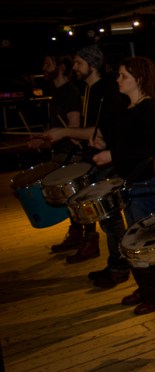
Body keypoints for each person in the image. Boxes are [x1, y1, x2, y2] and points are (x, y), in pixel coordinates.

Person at [45, 45, 126, 264]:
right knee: (106, 219)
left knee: (111, 218)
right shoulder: (90, 90)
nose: (75, 67)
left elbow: (99, 130)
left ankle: (118, 265)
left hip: (108, 161)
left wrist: (65, 131)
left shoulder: (105, 90)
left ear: (93, 64)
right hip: (97, 158)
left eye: (79, 63)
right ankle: (114, 262)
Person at [89, 57, 155, 292]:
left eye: (124, 76)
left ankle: (152, 291)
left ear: (138, 80)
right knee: (135, 241)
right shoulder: (129, 107)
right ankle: (146, 288)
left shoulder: (148, 108)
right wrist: (104, 144)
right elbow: (129, 144)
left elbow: (148, 149)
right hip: (131, 182)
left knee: (143, 242)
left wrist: (113, 155)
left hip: (143, 183)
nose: (118, 80)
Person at [30, 53, 83, 253]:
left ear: (60, 67)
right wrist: (41, 139)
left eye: (47, 63)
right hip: (61, 152)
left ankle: (85, 240)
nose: (44, 67)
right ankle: (77, 236)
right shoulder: (58, 92)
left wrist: (58, 136)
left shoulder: (69, 92)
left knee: (75, 199)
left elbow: (74, 126)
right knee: (70, 201)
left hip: (71, 154)